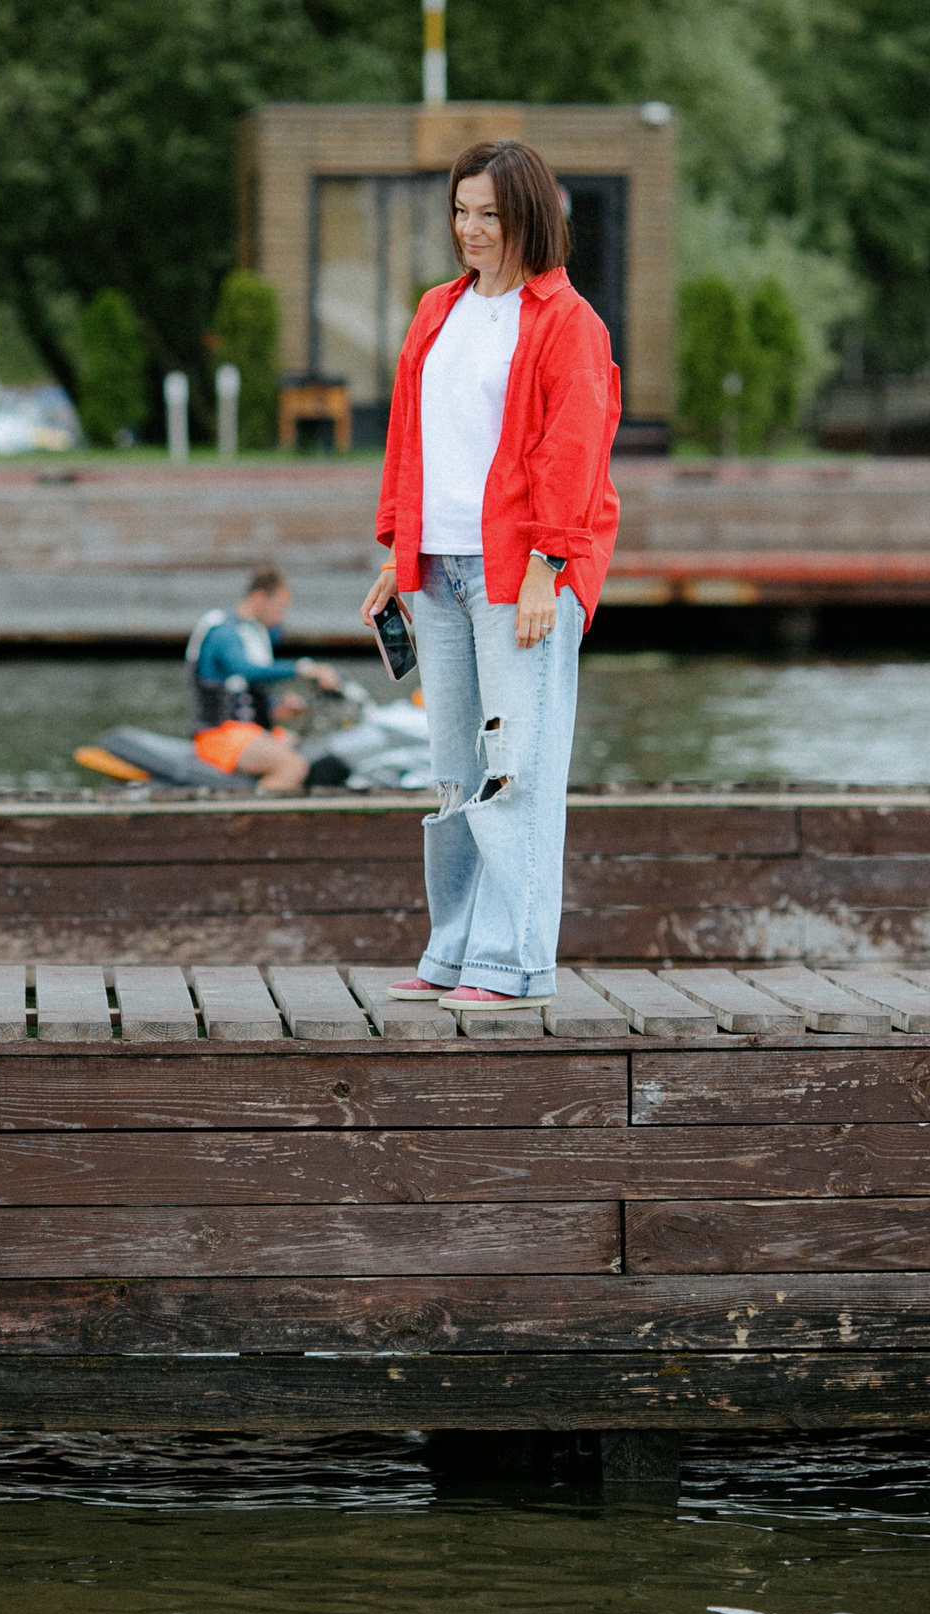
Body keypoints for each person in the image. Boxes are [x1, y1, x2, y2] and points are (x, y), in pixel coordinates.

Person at [358, 139, 622, 1014]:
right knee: (454, 770)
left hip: (525, 571)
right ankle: (455, 951)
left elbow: (574, 452)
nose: (471, 230)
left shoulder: (567, 323)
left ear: (528, 218)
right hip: (437, 571)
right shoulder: (439, 310)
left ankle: (513, 965)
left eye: (490, 215)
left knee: (518, 770)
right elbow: (411, 438)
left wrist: (550, 566)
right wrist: (397, 554)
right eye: (461, 212)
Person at [188, 566, 345, 793]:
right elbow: (244, 670)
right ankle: (253, 824)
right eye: (279, 608)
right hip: (218, 736)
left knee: (313, 752)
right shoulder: (222, 632)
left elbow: (244, 693)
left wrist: (276, 706)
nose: (280, 617)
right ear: (259, 598)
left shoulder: (253, 633)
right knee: (292, 766)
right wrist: (304, 668)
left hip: (247, 733)